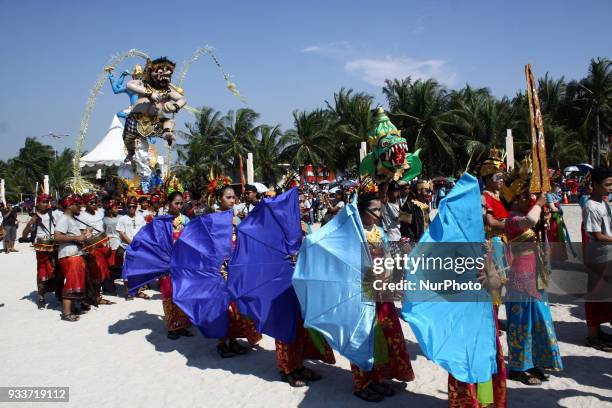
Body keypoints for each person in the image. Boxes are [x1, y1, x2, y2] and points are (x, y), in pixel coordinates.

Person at [350, 188, 415, 402]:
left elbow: (387, 255)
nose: (379, 214)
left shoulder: (378, 230)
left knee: (385, 332)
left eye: (380, 209)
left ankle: (378, 376)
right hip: (363, 290)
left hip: (383, 289)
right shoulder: (353, 231)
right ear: (361, 210)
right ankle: (362, 383)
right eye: (374, 209)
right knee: (365, 335)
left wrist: (392, 276)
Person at [504, 188, 563, 385]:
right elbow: (529, 221)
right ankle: (518, 368)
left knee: (538, 318)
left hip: (535, 275)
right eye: (522, 196)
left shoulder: (524, 216)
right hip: (520, 278)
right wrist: (539, 203)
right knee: (521, 322)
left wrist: (545, 217)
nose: (527, 199)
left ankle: (533, 362)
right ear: (512, 201)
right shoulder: (512, 221)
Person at [275, 221, 336, 387]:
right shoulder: (275, 234)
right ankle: (287, 370)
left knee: (301, 330)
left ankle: (299, 365)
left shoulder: (302, 226)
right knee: (285, 331)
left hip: (302, 289)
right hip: (282, 290)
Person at [213, 184, 262, 357]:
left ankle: (232, 341)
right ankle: (221, 343)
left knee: (235, 305)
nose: (232, 200)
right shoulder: (212, 218)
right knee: (222, 306)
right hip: (220, 268)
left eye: (234, 197)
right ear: (219, 198)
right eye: (228, 197)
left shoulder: (235, 217)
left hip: (235, 267)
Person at [582, 166, 612, 352]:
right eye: (607, 184)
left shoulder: (604, 203)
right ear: (595, 185)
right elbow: (597, 234)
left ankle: (599, 331)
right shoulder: (591, 206)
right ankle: (593, 335)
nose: (610, 187)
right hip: (599, 255)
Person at [158, 191, 194, 340]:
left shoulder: (185, 220)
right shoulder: (161, 222)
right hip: (166, 264)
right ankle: (172, 327)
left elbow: (192, 240)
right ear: (168, 204)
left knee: (182, 293)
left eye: (181, 203)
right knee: (168, 294)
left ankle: (183, 325)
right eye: (176, 203)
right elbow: (157, 243)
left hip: (182, 263)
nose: (179, 206)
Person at [54, 194, 88, 322]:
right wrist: (77, 238)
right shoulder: (64, 218)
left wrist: (83, 235)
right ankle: (67, 312)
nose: (81, 207)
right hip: (69, 255)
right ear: (70, 205)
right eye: (78, 204)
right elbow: (57, 237)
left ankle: (73, 308)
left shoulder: (71, 219)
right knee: (71, 282)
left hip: (75, 254)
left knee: (75, 282)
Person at [76, 193, 114, 307]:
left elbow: (105, 224)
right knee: (94, 273)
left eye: (95, 202)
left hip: (102, 244)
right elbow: (81, 233)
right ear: (86, 204)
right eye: (90, 203)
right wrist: (88, 234)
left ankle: (97, 296)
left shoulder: (100, 212)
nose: (93, 205)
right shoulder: (82, 216)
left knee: (102, 272)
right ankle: (92, 297)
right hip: (91, 247)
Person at [21, 194, 57, 309]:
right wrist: (30, 223)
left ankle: (59, 294)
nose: (46, 204)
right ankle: (41, 298)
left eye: (47, 202)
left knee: (56, 270)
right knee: (42, 273)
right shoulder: (33, 216)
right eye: (43, 202)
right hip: (41, 248)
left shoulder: (54, 214)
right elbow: (24, 235)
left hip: (54, 245)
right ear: (38, 203)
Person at [117, 197, 148, 300]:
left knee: (139, 270)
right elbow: (121, 233)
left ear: (136, 207)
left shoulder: (141, 218)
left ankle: (138, 291)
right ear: (126, 206)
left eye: (133, 206)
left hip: (139, 248)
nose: (131, 208)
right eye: (129, 206)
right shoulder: (122, 218)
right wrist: (131, 243)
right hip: (128, 248)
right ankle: (128, 292)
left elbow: (144, 231)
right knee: (127, 271)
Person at [102, 200, 122, 296]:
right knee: (110, 266)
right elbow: (104, 231)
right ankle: (109, 288)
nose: (117, 209)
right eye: (115, 208)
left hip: (120, 243)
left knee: (120, 264)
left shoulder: (121, 218)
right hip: (110, 243)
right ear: (109, 210)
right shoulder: (104, 220)